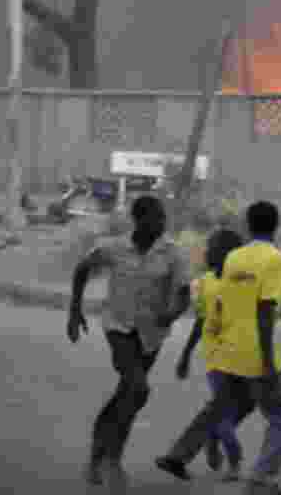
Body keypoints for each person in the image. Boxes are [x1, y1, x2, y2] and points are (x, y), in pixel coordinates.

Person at [156, 201, 281, 494]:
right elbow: (265, 310)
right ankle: (261, 478)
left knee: (221, 406)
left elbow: (224, 308)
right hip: (255, 354)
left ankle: (182, 454)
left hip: (229, 355)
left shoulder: (234, 260)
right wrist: (269, 360)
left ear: (248, 224)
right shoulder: (276, 259)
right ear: (276, 224)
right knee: (280, 415)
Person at [67, 195, 193, 494]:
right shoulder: (114, 247)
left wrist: (172, 313)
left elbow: (185, 293)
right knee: (137, 388)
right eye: (156, 218)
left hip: (151, 334)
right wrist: (74, 311)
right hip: (118, 327)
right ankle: (113, 460)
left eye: (163, 218)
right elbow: (82, 269)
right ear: (139, 220)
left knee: (127, 394)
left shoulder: (173, 252)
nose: (162, 224)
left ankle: (97, 455)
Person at [171, 228, 256, 482]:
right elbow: (200, 321)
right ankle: (234, 459)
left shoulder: (244, 282)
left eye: (212, 248)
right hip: (218, 361)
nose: (206, 252)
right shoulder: (205, 283)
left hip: (246, 356)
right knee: (222, 411)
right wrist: (186, 354)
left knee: (245, 405)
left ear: (229, 255)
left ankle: (215, 436)